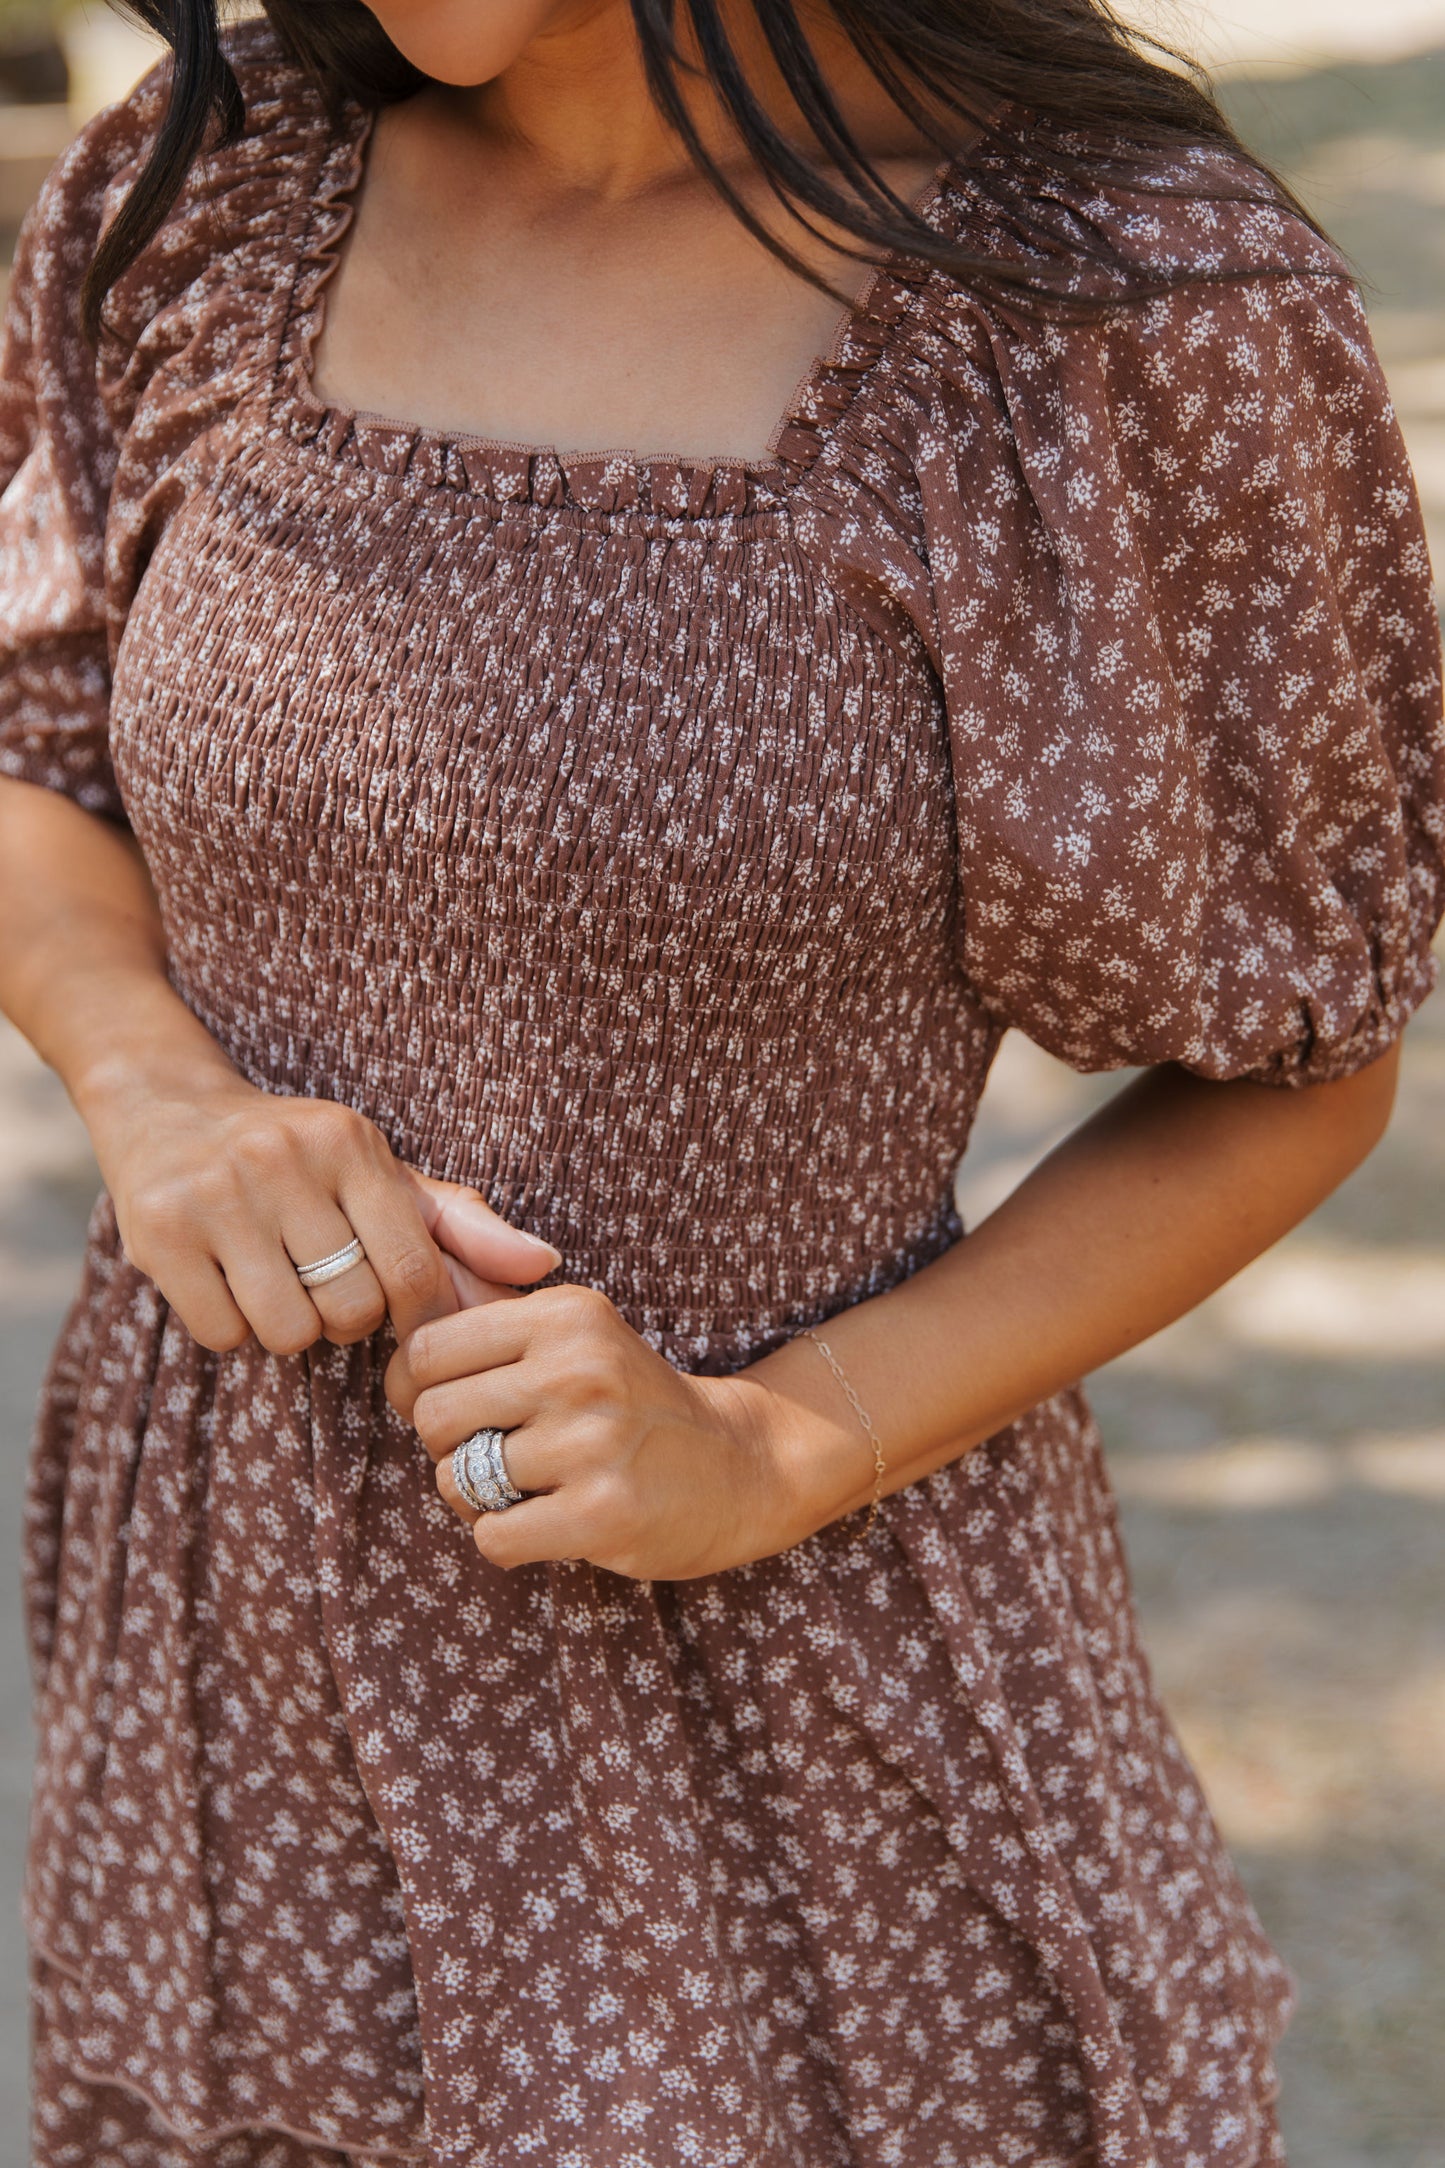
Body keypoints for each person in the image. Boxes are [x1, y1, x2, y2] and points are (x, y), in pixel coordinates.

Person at [1, 0, 1441, 2157]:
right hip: (233, 1656)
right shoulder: (208, 184)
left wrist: (772, 1443)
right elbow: (36, 757)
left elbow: (1301, 1069)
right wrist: (153, 1087)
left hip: (789, 1686)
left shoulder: (1132, 303)